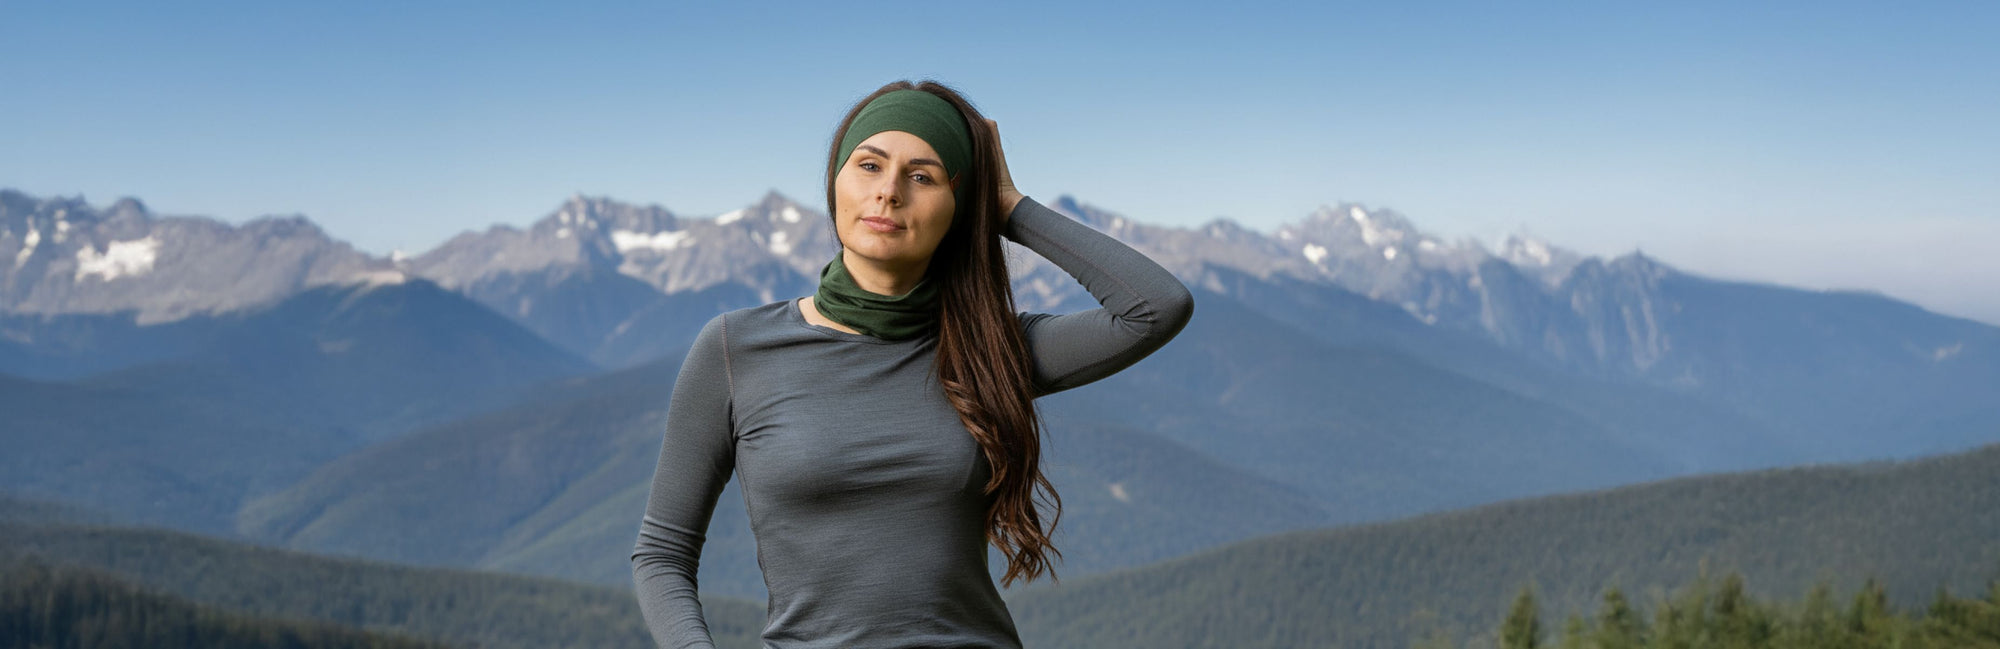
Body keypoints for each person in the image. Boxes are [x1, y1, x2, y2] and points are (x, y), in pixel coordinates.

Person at [629, 79, 1195, 649]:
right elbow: (662, 553)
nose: (889, 192)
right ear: (835, 183)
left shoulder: (993, 350)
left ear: (958, 205)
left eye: (922, 176)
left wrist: (1007, 207)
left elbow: (1156, 308)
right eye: (869, 166)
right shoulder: (736, 348)